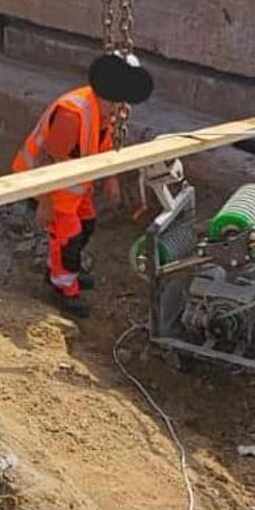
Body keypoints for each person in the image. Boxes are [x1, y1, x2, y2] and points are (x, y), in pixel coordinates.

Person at [13, 53, 154, 319]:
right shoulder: (72, 114)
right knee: (69, 239)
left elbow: (105, 142)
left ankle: (64, 270)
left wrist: (110, 178)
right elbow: (46, 159)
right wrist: (45, 202)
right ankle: (63, 287)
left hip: (74, 183)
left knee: (86, 225)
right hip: (49, 185)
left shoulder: (109, 109)